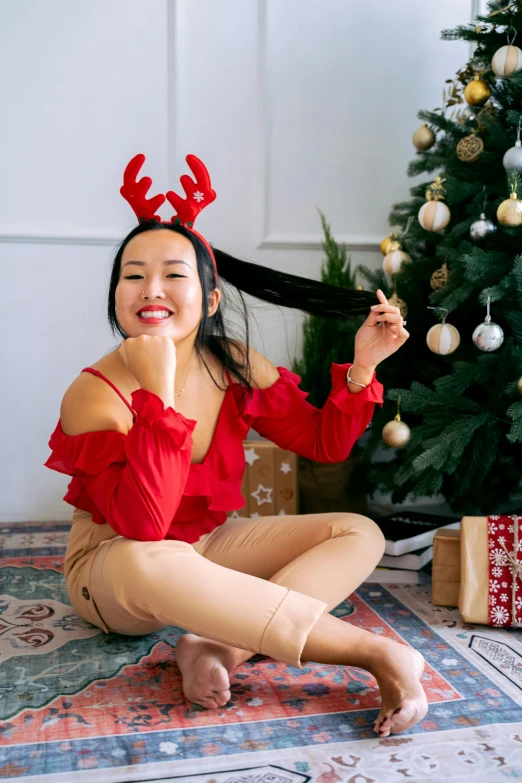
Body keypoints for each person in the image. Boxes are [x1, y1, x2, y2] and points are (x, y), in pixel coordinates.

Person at [44, 154, 426, 739]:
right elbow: (144, 525)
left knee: (359, 531)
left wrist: (362, 368)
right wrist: (158, 392)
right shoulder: (93, 393)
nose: (151, 289)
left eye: (174, 274)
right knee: (148, 556)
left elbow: (320, 443)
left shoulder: (234, 365)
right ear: (116, 292)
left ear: (211, 299)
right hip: (115, 567)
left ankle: (217, 646)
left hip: (203, 547)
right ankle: (377, 654)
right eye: (132, 274)